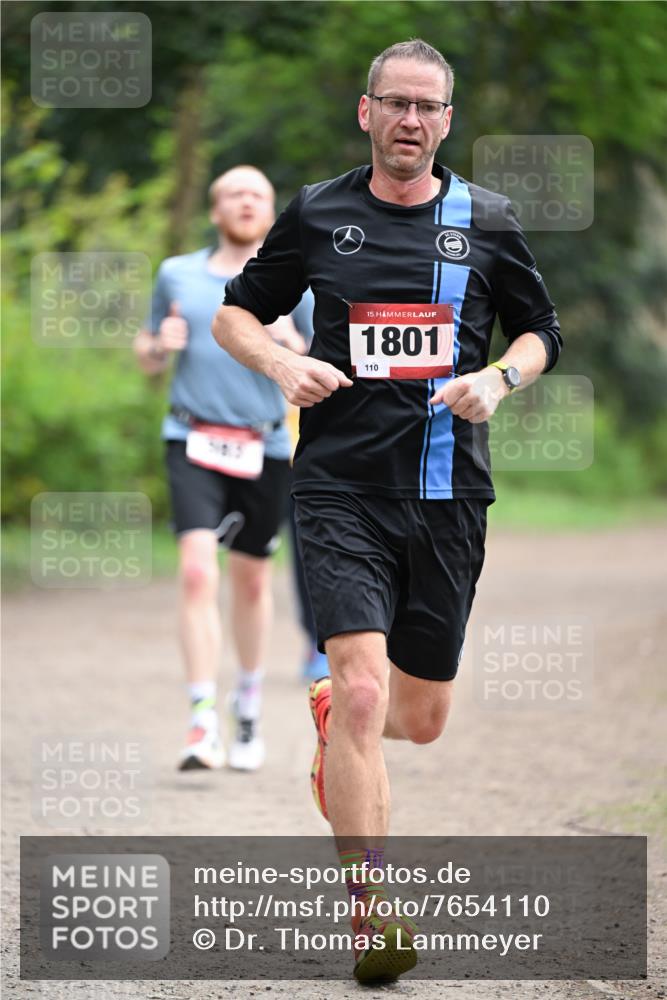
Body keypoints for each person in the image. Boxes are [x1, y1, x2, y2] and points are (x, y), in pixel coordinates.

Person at [212, 40, 561, 983]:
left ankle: (334, 715)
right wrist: (281, 363)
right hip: (336, 488)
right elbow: (234, 313)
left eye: (428, 107)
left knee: (418, 716)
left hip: (448, 496)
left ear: (447, 121)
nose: (410, 120)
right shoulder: (319, 212)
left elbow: (542, 331)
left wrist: (498, 375)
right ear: (365, 113)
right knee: (365, 693)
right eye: (394, 104)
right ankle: (371, 915)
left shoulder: (487, 220)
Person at [134, 165, 313, 773]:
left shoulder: (297, 282)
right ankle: (200, 717)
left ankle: (250, 704)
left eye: (258, 195)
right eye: (234, 194)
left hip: (263, 447)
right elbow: (147, 352)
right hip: (191, 438)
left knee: (253, 582)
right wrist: (161, 346)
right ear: (215, 211)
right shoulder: (176, 274)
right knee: (194, 575)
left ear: (271, 213)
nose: (245, 202)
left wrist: (292, 343)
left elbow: (317, 370)